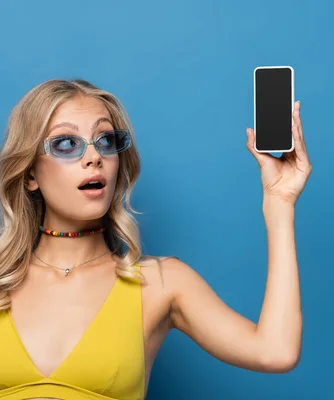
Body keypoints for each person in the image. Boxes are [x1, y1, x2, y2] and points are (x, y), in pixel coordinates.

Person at [0, 79, 311, 400]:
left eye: (105, 140)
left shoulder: (161, 283)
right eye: (66, 143)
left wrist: (280, 202)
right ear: (30, 175)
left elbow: (276, 352)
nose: (94, 157)